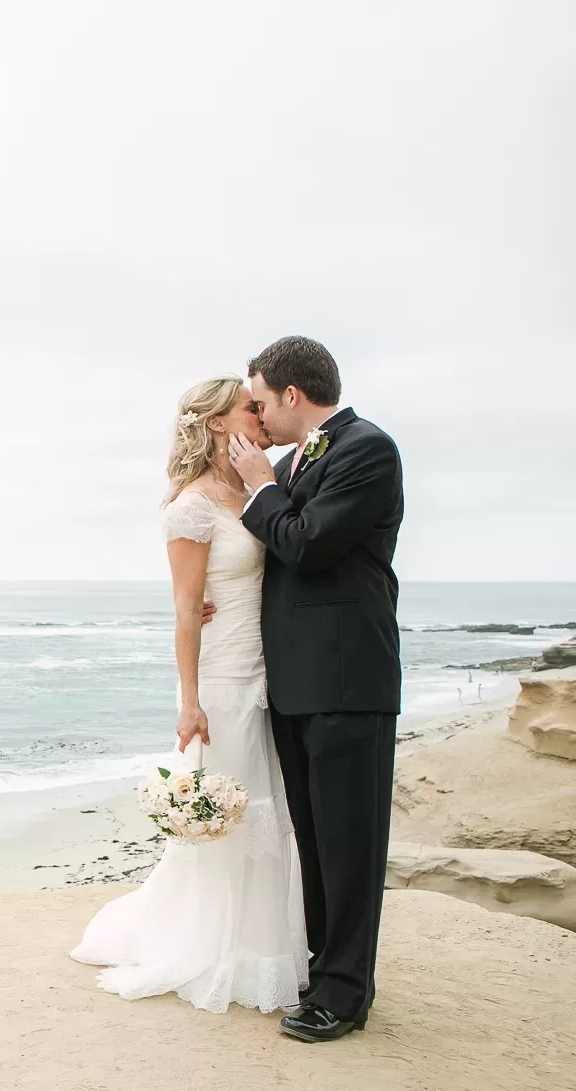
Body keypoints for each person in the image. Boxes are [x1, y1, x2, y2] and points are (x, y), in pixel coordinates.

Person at [68, 376, 309, 1014]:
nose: (259, 415)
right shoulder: (191, 507)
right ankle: (217, 948)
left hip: (271, 673)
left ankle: (267, 948)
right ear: (217, 423)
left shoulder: (263, 488)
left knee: (268, 816)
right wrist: (190, 701)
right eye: (248, 408)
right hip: (225, 680)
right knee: (231, 815)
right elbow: (183, 612)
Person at [228, 335, 405, 1043]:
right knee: (315, 838)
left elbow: (307, 542)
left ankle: (345, 994)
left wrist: (260, 489)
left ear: (293, 396)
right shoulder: (293, 460)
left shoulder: (367, 448)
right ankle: (322, 964)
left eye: (263, 402)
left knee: (350, 840)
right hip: (295, 683)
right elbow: (273, 560)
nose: (259, 417)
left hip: (347, 677)